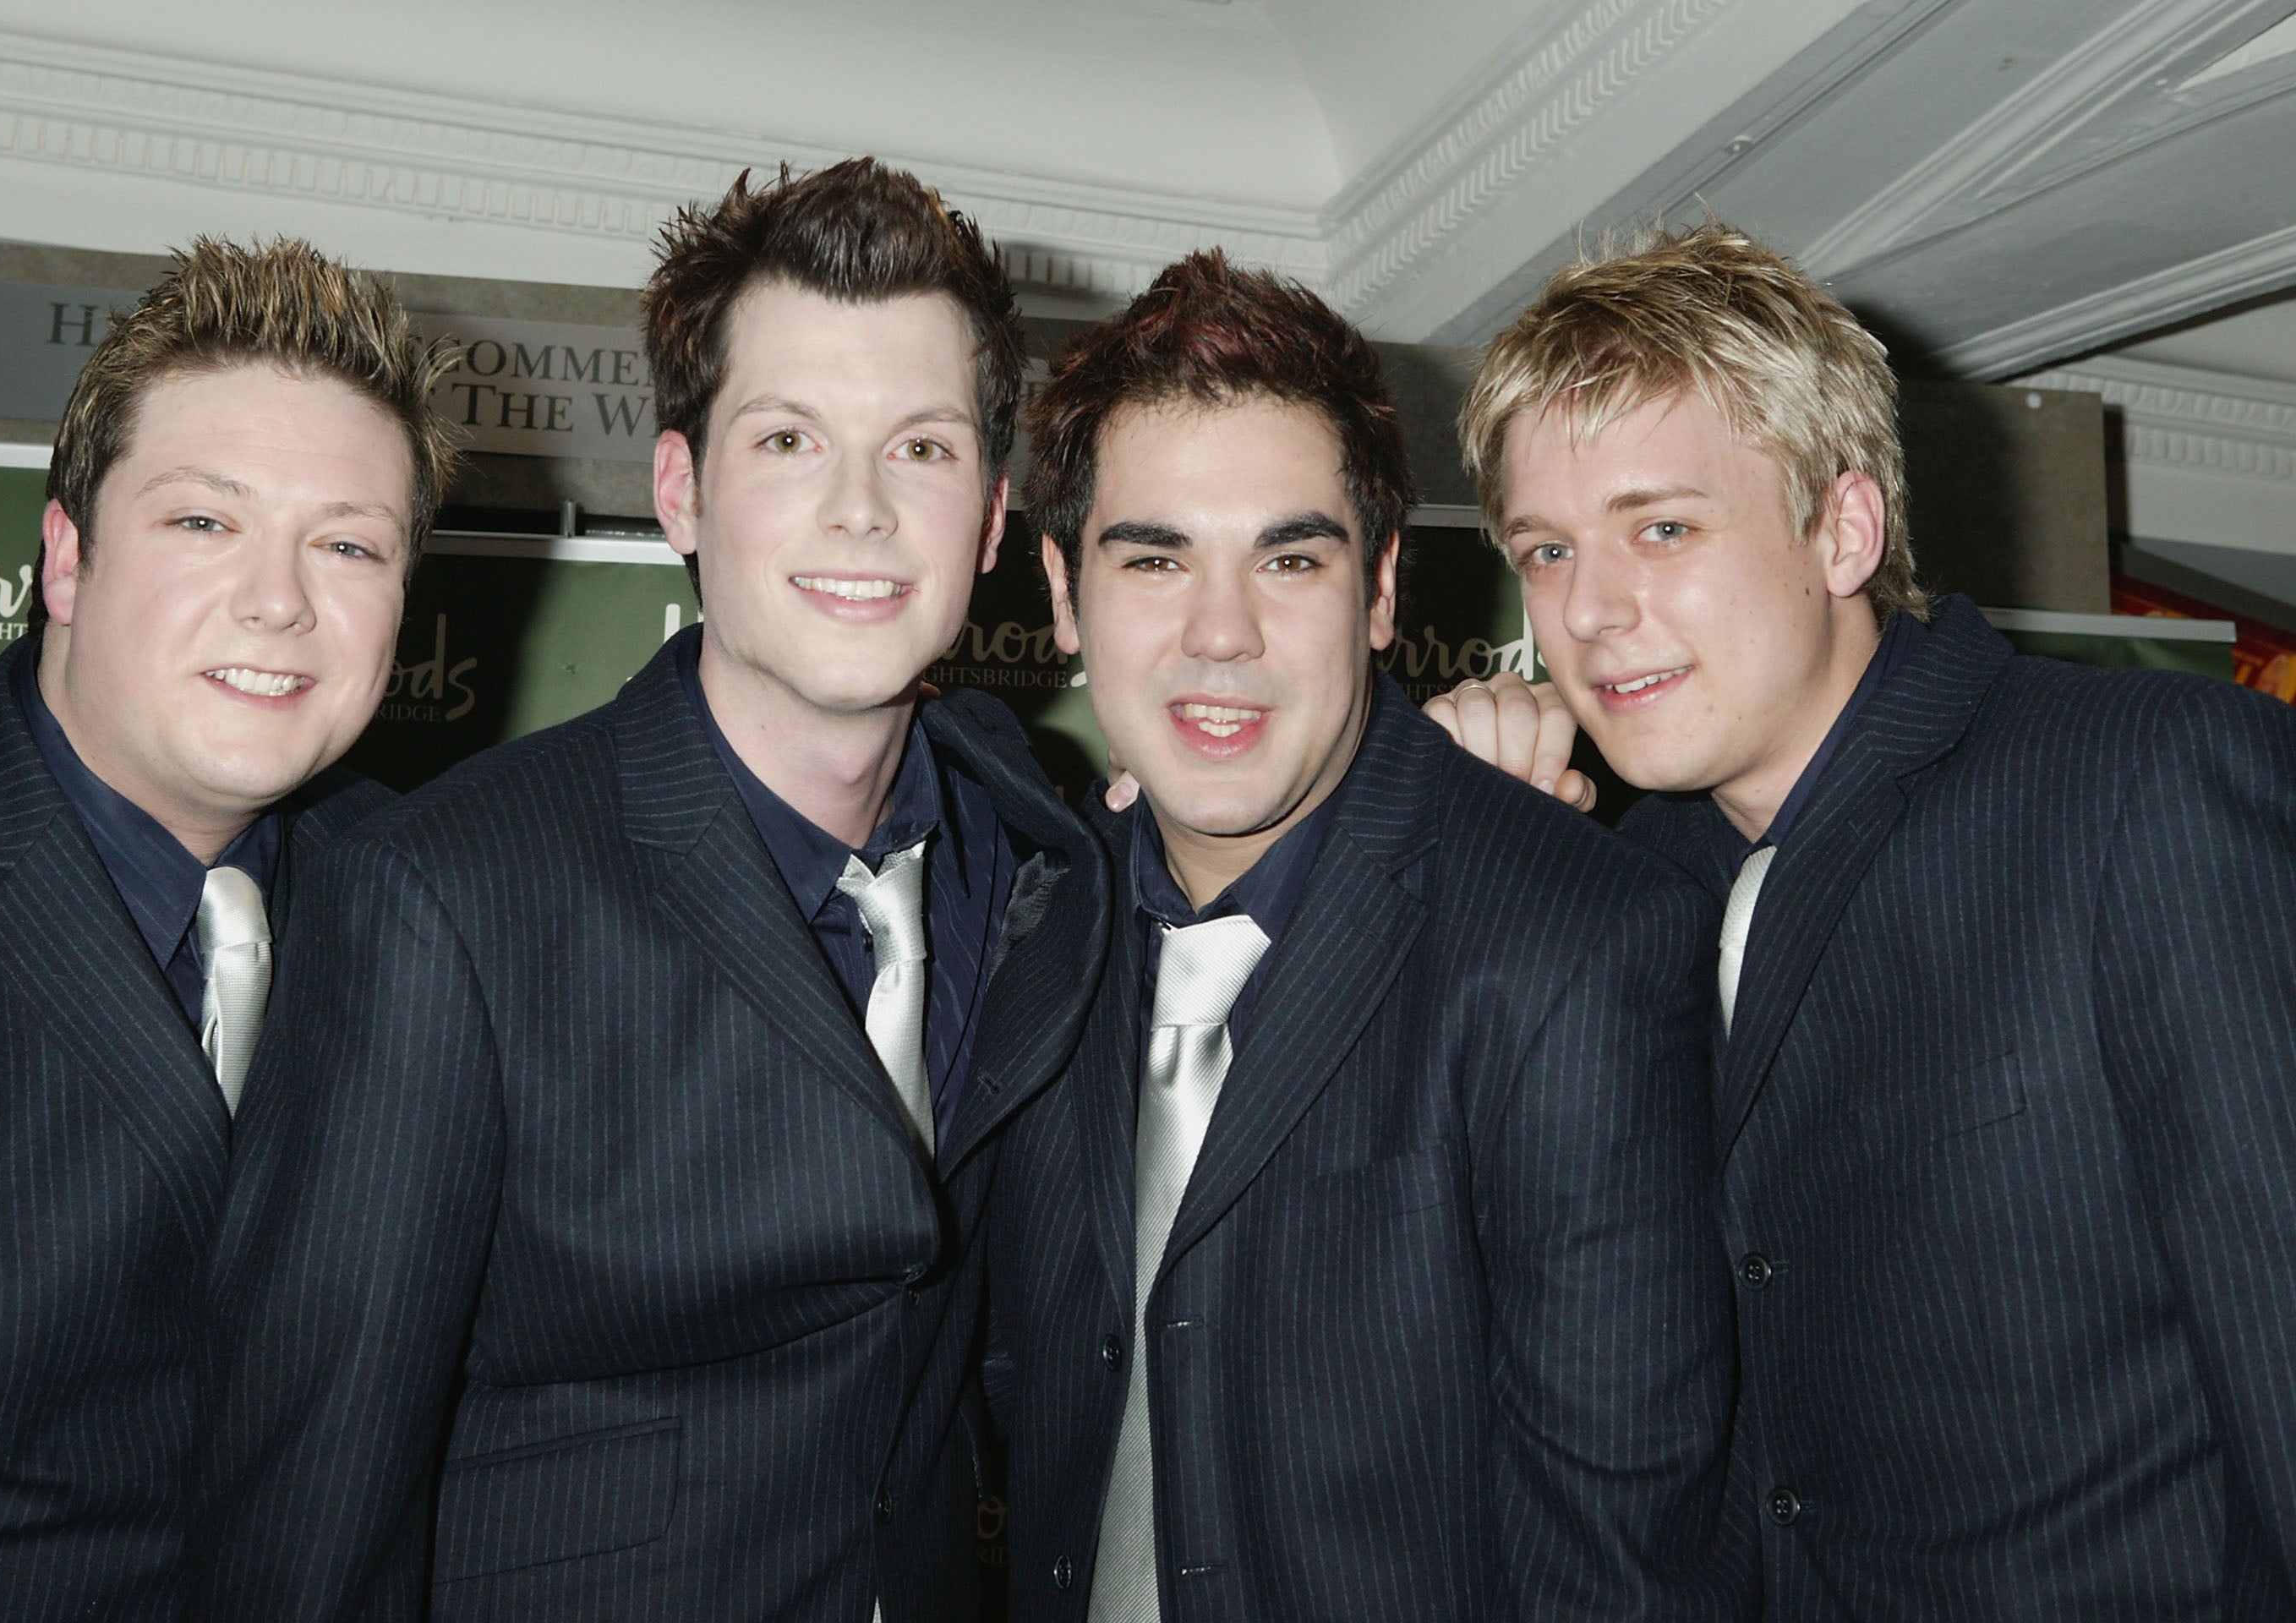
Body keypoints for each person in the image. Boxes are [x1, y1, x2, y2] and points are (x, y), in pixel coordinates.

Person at [189, 159, 1108, 1621]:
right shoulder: (440, 898)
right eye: (791, 438)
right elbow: (303, 1524)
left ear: (992, 518)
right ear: (681, 488)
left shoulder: (1044, 848)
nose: (863, 511)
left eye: (923, 450)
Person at [1458, 222, 2296, 1616]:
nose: (1590, 610)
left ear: (1844, 528)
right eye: (1544, 552)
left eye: (1662, 528)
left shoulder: (2147, 782)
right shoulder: (1606, 886)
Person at [982, 249, 1741, 1623]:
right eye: (1155, 559)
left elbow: (1626, 1558)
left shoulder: (1575, 940)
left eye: (1289, 558)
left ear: (1383, 589)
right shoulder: (1030, 916)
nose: (1222, 635)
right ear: (1060, 592)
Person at [0, 238, 450, 1620]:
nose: (279, 600)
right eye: (206, 522)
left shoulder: (446, 902)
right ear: (66, 557)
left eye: (351, 544)